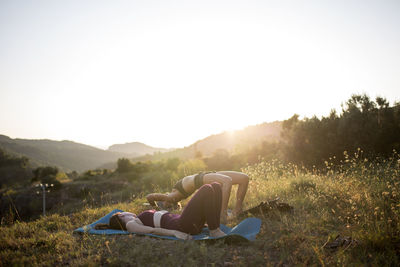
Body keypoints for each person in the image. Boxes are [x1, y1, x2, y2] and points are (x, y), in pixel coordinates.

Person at [95, 182, 226, 240]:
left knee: (216, 186)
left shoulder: (139, 217)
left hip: (189, 222)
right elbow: (152, 231)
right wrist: (175, 233)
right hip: (182, 226)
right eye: (123, 212)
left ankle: (215, 224)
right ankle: (214, 231)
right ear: (121, 215)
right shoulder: (130, 224)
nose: (127, 212)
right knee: (207, 189)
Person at [146, 171, 249, 222]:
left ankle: (236, 210)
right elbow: (150, 197)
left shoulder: (170, 196)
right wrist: (160, 206)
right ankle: (223, 214)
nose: (166, 200)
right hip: (202, 177)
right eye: (166, 203)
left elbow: (149, 197)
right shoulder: (174, 198)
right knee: (229, 180)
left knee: (244, 178)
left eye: (164, 200)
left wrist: (155, 207)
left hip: (204, 175)